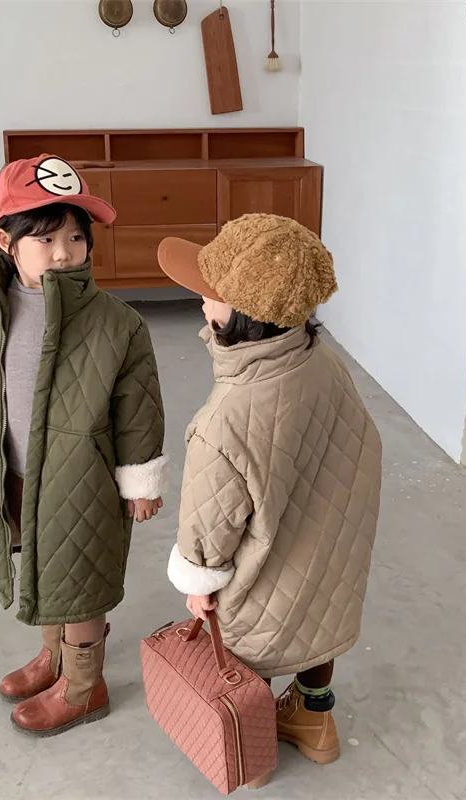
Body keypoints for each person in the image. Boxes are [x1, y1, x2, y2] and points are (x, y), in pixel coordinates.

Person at [0, 154, 168, 737]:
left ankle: (85, 686)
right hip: (11, 469)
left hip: (81, 476)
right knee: (41, 562)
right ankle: (55, 655)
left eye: (75, 237)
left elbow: (138, 408)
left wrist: (139, 479)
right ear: (6, 242)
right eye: (44, 239)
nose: (64, 253)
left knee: (79, 573)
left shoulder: (117, 324)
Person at [157, 214, 382, 787]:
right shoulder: (321, 359)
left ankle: (249, 749)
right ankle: (315, 719)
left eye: (210, 293)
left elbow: (208, 527)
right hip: (331, 544)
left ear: (241, 313)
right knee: (317, 619)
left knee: (248, 640)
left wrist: (199, 583)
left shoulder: (225, 420)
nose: (200, 300)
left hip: (267, 566)